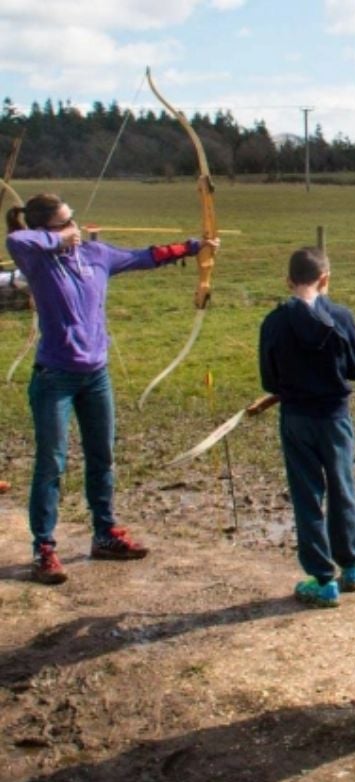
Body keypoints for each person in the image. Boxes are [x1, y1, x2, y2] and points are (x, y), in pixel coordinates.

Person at [5, 193, 218, 585]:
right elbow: (17, 240)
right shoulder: (35, 257)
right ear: (46, 230)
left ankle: (104, 534)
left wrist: (194, 246)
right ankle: (44, 549)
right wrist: (57, 241)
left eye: (74, 220)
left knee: (102, 456)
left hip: (96, 375)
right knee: (52, 462)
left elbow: (145, 256)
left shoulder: (96, 255)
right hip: (55, 378)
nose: (75, 228)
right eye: (65, 223)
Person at [259, 247, 355, 609]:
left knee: (307, 496)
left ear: (288, 281)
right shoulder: (341, 316)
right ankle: (352, 566)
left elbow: (269, 379)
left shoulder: (273, 323)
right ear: (325, 279)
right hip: (335, 419)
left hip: (296, 420)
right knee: (343, 487)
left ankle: (323, 580)